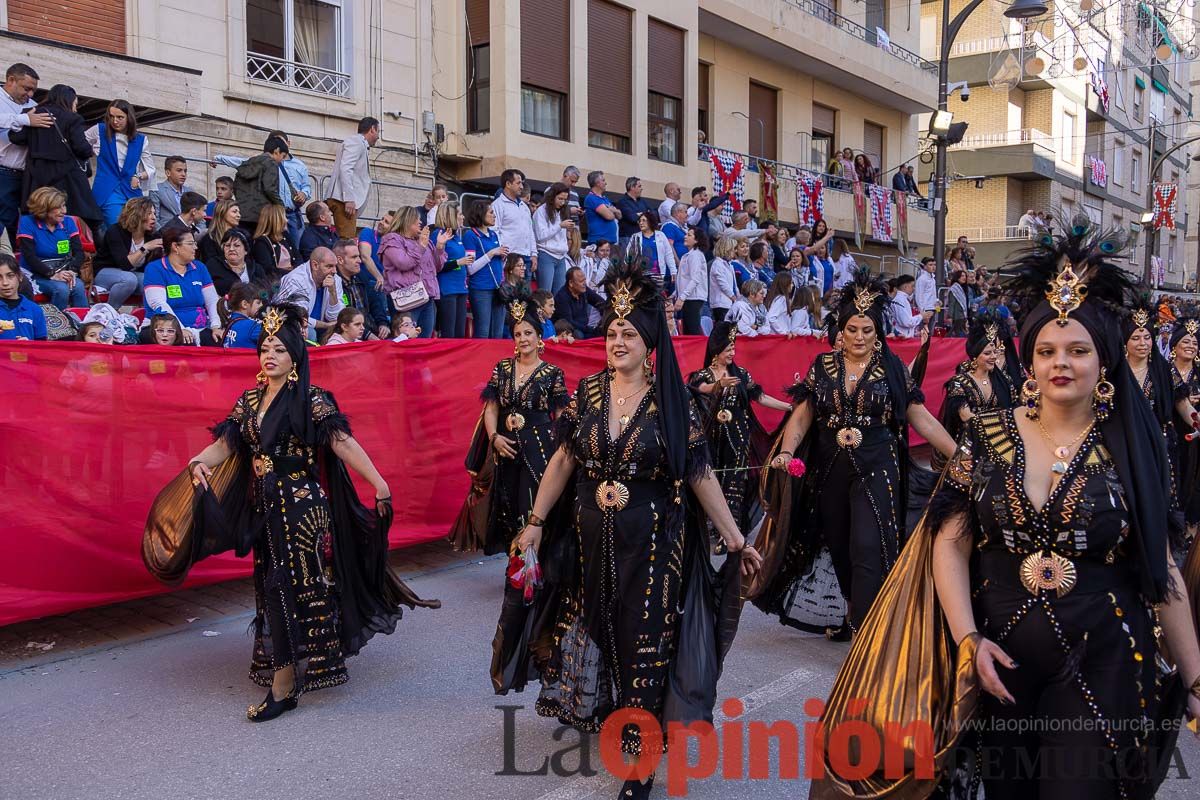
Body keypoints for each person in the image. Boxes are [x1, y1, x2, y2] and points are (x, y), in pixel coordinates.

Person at [809, 218, 1200, 799]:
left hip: (1106, 662)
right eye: (1045, 350)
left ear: (1104, 362)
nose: (1059, 363)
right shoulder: (989, 434)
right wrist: (968, 639)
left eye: (1077, 350)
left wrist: (1194, 676)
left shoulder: (1132, 449)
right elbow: (950, 541)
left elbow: (1162, 569)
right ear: (1031, 359)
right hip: (999, 662)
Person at [515, 263, 762, 800]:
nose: (618, 340)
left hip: (654, 547)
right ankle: (620, 718)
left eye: (629, 333)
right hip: (591, 542)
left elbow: (699, 475)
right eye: (611, 332)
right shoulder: (587, 394)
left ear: (649, 342)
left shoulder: (673, 401)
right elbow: (562, 460)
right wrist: (535, 524)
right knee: (602, 633)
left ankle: (642, 760)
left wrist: (737, 540)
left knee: (643, 646)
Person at [146, 303, 439, 722]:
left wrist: (378, 482)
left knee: (287, 587)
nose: (270, 355)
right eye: (265, 347)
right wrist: (199, 461)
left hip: (301, 508)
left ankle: (284, 683)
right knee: (273, 589)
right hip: (264, 507)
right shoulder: (248, 400)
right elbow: (228, 444)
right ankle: (293, 664)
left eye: (279, 349)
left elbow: (341, 443)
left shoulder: (311, 400)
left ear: (295, 356)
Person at [753, 273, 958, 636]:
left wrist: (957, 454)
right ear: (841, 331)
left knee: (867, 544)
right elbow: (803, 414)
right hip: (830, 466)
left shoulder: (891, 369)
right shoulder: (823, 367)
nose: (859, 337)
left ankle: (867, 630)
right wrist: (786, 451)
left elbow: (920, 417)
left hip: (877, 465)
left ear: (877, 332)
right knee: (839, 543)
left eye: (866, 330)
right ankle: (852, 614)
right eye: (852, 329)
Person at [450, 292, 569, 693]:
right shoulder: (502, 369)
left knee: (536, 507)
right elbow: (491, 406)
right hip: (508, 451)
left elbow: (557, 416)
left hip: (539, 449)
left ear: (540, 337)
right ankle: (519, 564)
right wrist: (494, 437)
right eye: (517, 333)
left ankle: (535, 567)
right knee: (509, 505)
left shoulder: (552, 374)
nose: (521, 339)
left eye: (528, 333)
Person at [688, 322, 791, 535]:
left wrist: (788, 407)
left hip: (738, 436)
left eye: (734, 348)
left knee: (735, 480)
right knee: (713, 478)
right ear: (716, 351)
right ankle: (714, 527)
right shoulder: (702, 375)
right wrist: (719, 386)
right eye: (728, 349)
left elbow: (760, 397)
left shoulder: (741, 374)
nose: (733, 353)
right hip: (711, 437)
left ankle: (731, 532)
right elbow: (700, 390)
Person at [8, 84, 101, 230]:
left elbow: (16, 138)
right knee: (68, 216)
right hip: (66, 178)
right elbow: (81, 148)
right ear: (69, 100)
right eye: (75, 104)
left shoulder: (33, 113)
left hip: (36, 177)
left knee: (37, 216)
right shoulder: (72, 118)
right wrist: (91, 150)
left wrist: (24, 119)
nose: (75, 108)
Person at [933, 314, 1016, 473]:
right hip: (970, 447)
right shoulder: (959, 382)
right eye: (987, 353)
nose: (993, 357)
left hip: (1001, 444)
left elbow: (1013, 409)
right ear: (975, 356)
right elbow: (965, 416)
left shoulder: (1003, 380)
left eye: (994, 352)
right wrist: (996, 425)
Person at [0, 63, 53, 250]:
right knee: (4, 220)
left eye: (33, 90)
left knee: (21, 221)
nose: (30, 94)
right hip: (2, 171)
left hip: (26, 174)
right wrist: (25, 120)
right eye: (27, 88)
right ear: (11, 80)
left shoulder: (34, 106)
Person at [380, 206, 448, 338]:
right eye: (416, 220)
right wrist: (421, 246)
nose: (420, 222)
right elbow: (403, 263)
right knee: (406, 339)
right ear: (407, 221)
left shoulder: (422, 240)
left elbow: (437, 267)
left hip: (426, 297)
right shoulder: (392, 239)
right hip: (406, 300)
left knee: (425, 339)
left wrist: (440, 247)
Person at [143, 226, 222, 338]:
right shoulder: (155, 269)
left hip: (201, 327)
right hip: (163, 329)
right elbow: (158, 303)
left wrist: (215, 326)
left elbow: (212, 300)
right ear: (175, 246)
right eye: (190, 244)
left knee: (218, 340)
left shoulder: (200, 267)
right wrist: (179, 328)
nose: (195, 247)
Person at [86, 100, 155, 226]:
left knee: (137, 229)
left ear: (129, 118)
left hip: (132, 192)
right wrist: (89, 153)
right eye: (111, 117)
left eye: (120, 117)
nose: (115, 121)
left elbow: (150, 169)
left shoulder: (141, 140)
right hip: (107, 191)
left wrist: (138, 176)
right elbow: (79, 144)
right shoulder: (99, 130)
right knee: (116, 226)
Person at [16, 186, 86, 309]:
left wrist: (72, 271)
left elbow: (79, 252)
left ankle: (83, 324)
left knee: (78, 286)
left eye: (64, 206)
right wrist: (52, 274)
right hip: (36, 273)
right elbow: (29, 256)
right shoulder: (27, 222)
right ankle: (57, 325)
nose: (64, 211)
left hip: (64, 270)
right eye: (58, 207)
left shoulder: (68, 222)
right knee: (61, 289)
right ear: (45, 209)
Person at [91, 197, 161, 308]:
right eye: (149, 214)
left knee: (151, 280)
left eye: (154, 214)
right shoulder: (115, 231)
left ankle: (146, 316)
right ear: (137, 214)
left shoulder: (152, 236)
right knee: (129, 279)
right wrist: (145, 248)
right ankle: (110, 311)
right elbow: (125, 264)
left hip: (132, 274)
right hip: (104, 272)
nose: (153, 218)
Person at [1169, 318, 1200, 529]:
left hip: (1195, 435)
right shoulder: (1164, 372)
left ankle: (1190, 521)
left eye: (1195, 343)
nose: (1190, 346)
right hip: (1171, 432)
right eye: (1186, 342)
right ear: (1175, 347)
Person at [325, 117, 378, 238]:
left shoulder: (358, 143)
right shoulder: (356, 141)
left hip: (343, 200)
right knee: (346, 241)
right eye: (378, 131)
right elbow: (346, 168)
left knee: (346, 241)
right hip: (342, 201)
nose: (378, 136)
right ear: (372, 129)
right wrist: (348, 199)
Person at [462, 200, 508, 339]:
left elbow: (498, 264)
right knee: (482, 331)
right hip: (481, 289)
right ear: (481, 214)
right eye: (491, 213)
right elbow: (470, 268)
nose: (494, 216)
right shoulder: (470, 235)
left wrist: (503, 258)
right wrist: (491, 253)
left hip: (497, 288)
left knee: (497, 332)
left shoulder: (494, 235)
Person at [277, 246, 344, 341]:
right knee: (310, 333)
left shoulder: (335, 279)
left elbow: (335, 317)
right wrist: (325, 325)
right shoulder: (295, 279)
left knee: (345, 330)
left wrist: (333, 293)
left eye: (335, 266)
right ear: (315, 265)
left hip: (322, 327)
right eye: (329, 266)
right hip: (290, 325)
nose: (335, 271)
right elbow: (297, 316)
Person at [232, 136, 288, 237]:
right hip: (262, 216)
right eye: (283, 156)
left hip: (242, 214)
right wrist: (280, 206)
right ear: (277, 151)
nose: (282, 161)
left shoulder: (247, 163)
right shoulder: (271, 163)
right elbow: (269, 189)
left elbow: (235, 187)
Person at [431, 201, 471, 339]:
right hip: (447, 290)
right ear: (451, 216)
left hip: (461, 288)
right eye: (460, 214)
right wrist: (458, 262)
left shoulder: (457, 236)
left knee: (460, 333)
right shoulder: (438, 234)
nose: (463, 217)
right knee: (449, 333)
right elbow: (436, 265)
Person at [491, 169, 536, 275]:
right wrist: (502, 252)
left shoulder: (524, 207)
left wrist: (534, 253)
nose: (521, 187)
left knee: (525, 291)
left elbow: (530, 232)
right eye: (518, 183)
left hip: (526, 257)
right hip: (509, 258)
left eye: (522, 183)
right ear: (508, 184)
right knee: (509, 291)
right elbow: (494, 231)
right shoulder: (497, 205)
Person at [532, 182, 574, 293]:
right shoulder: (541, 211)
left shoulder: (561, 212)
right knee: (545, 293)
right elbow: (540, 236)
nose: (562, 202)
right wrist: (560, 226)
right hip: (546, 254)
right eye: (560, 198)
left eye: (565, 199)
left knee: (559, 294)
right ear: (552, 196)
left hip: (561, 256)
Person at [625, 211, 676, 293]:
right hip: (641, 275)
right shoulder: (635, 237)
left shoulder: (661, 235)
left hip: (658, 274)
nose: (641, 223)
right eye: (639, 221)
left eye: (644, 220)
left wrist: (673, 271)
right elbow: (628, 255)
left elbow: (668, 254)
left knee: (656, 297)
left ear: (650, 221)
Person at [0, 253, 46, 339]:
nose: (5, 283)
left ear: (20, 276)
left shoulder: (34, 309)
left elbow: (41, 346)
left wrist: (28, 346)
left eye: (10, 276)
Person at [551, 265, 604, 339]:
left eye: (584, 280)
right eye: (581, 281)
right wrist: (590, 330)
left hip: (584, 328)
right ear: (571, 283)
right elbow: (569, 322)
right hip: (568, 330)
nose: (584, 283)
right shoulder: (562, 297)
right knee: (578, 335)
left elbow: (601, 303)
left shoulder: (584, 290)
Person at [676, 227, 709, 335]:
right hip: (689, 297)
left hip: (693, 298)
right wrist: (675, 294)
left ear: (696, 240)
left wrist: (682, 297)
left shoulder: (695, 255)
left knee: (692, 330)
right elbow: (684, 279)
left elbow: (695, 279)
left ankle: (698, 351)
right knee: (688, 329)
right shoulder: (689, 255)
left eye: (689, 235)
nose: (685, 236)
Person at [149, 156, 197, 231]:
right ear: (168, 172)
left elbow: (200, 217)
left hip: (190, 234)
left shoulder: (190, 191)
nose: (183, 174)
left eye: (185, 171)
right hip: (168, 234)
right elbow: (154, 219)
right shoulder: (157, 190)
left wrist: (199, 232)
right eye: (179, 170)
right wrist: (163, 235)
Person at [210, 229, 262, 296]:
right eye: (227, 245)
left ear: (246, 250)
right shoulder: (214, 266)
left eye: (237, 245)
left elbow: (264, 293)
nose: (231, 249)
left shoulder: (256, 269)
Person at [250, 204, 292, 282]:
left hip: (292, 278)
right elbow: (269, 270)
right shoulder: (261, 243)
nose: (287, 220)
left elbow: (298, 257)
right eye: (284, 217)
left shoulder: (286, 236)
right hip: (276, 283)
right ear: (276, 220)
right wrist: (292, 273)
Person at [197, 199, 241, 273]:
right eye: (234, 212)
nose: (239, 215)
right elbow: (211, 265)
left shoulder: (242, 236)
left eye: (239, 212)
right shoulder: (209, 239)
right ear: (222, 213)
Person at [219, 281, 265, 349]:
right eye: (258, 303)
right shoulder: (253, 326)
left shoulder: (228, 320)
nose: (262, 305)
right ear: (244, 304)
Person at [583, 170, 620, 246]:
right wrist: (613, 212)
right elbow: (609, 216)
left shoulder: (605, 199)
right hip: (598, 241)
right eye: (603, 180)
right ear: (597, 183)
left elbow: (619, 216)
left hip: (608, 241)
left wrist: (613, 210)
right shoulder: (591, 198)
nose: (605, 183)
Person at [888, 274, 930, 338]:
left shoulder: (903, 299)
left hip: (904, 336)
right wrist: (921, 316)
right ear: (905, 287)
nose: (914, 289)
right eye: (912, 286)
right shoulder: (900, 300)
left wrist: (915, 333)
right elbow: (906, 322)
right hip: (901, 337)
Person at [708, 235, 738, 324]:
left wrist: (737, 296)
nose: (735, 251)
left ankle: (731, 339)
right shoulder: (717, 264)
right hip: (721, 304)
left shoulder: (729, 265)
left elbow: (734, 284)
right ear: (726, 249)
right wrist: (732, 296)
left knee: (732, 330)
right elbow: (722, 284)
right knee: (723, 329)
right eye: (733, 249)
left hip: (731, 303)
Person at [615, 176, 649, 247]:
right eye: (639, 186)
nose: (641, 188)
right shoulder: (622, 202)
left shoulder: (643, 201)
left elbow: (653, 214)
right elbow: (632, 218)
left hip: (642, 237)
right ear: (632, 187)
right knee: (628, 258)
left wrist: (639, 214)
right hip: (627, 238)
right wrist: (644, 213)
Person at [947, 268, 970, 336]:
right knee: (957, 334)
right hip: (957, 316)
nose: (964, 277)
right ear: (957, 277)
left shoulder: (962, 288)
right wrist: (950, 316)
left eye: (965, 276)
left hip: (962, 315)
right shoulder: (954, 289)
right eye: (962, 276)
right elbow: (951, 303)